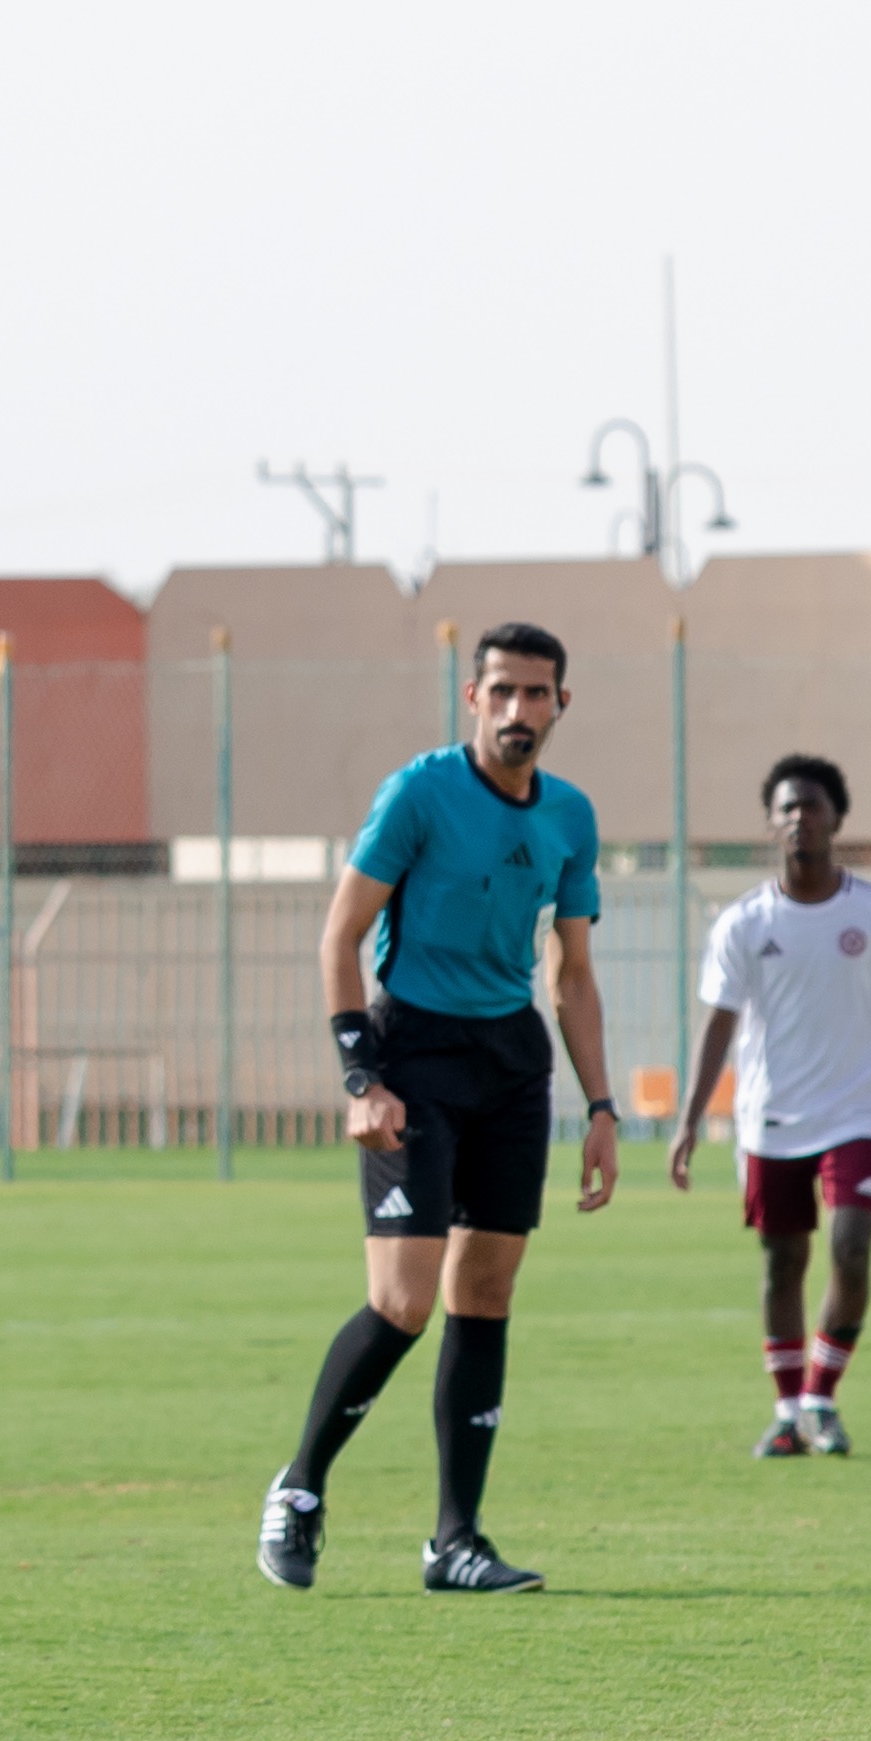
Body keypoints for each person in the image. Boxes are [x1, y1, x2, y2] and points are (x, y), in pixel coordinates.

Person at [261, 626, 620, 1595]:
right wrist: (357, 1078)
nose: (516, 711)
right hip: (411, 1056)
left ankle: (454, 1540)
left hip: (509, 1064)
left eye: (535, 694)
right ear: (471, 698)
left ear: (559, 706)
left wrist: (599, 1106)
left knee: (485, 1296)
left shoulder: (569, 817)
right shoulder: (418, 793)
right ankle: (297, 1489)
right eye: (499, 691)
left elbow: (572, 973)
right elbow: (339, 937)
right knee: (403, 1301)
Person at [666, 755, 871, 1457]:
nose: (797, 819)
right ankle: (787, 1413)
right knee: (781, 1261)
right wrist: (689, 1120)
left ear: (835, 819)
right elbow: (717, 1025)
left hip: (855, 1115)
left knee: (850, 1245)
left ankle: (821, 1396)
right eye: (785, 808)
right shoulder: (743, 923)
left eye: (810, 806)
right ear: (770, 823)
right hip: (770, 1119)